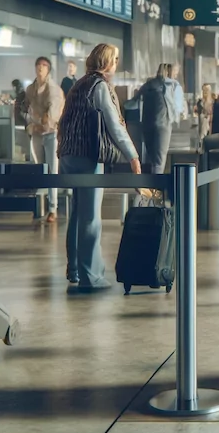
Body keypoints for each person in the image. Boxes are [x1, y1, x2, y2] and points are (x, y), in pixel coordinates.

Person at [58, 44, 140, 293]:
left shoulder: (79, 84)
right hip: (88, 157)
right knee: (91, 217)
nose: (116, 62)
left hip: (69, 155)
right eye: (115, 58)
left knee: (77, 214)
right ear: (107, 62)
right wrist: (133, 157)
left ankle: (74, 268)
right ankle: (91, 276)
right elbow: (115, 126)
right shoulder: (100, 87)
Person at [26, 57, 64, 223]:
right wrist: (33, 122)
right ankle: (41, 205)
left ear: (48, 69)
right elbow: (26, 109)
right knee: (39, 168)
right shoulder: (30, 89)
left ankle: (52, 208)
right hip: (36, 133)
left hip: (51, 134)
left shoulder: (53, 89)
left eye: (44, 66)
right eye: (38, 65)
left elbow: (51, 117)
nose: (40, 68)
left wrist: (40, 120)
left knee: (52, 171)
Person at [134, 63, 184, 172]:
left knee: (151, 158)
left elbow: (133, 101)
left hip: (147, 124)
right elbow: (180, 108)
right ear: (170, 71)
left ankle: (150, 185)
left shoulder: (148, 84)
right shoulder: (174, 85)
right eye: (175, 72)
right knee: (159, 161)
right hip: (163, 124)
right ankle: (156, 187)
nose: (176, 74)